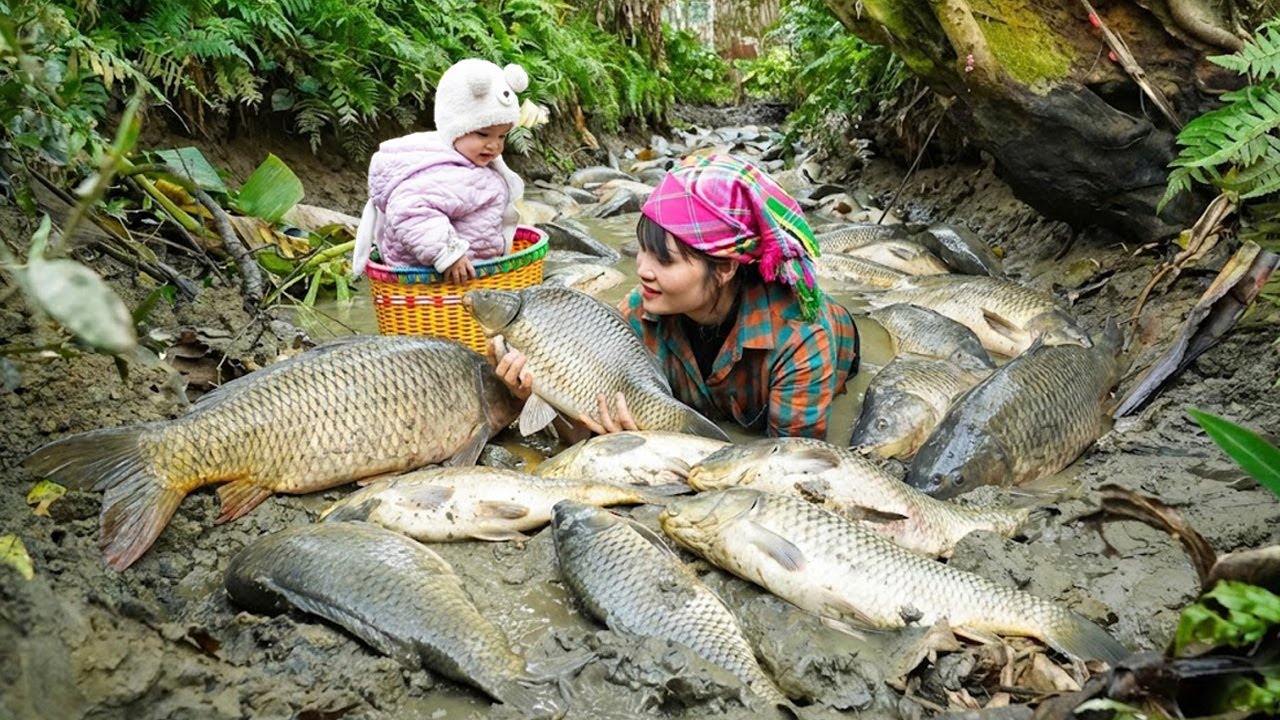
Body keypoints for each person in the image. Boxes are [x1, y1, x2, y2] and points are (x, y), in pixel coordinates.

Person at [492, 153, 860, 440]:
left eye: (664, 259)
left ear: (726, 267)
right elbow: (590, 425)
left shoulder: (800, 337)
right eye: (642, 250)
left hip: (840, 347)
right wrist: (536, 393)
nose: (643, 269)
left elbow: (796, 463)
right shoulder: (638, 314)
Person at [352, 58, 528, 285]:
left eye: (502, 136)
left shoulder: (469, 163)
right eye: (483, 134)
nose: (494, 145)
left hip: (469, 278)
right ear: (455, 129)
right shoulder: (446, 173)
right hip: (436, 280)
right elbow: (410, 210)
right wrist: (447, 254)